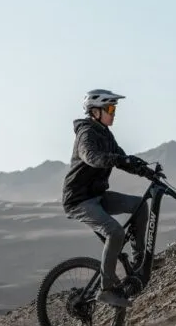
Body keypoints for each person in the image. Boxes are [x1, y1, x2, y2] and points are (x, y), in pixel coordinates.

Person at [62, 88, 153, 308]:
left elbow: (121, 159)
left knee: (140, 207)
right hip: (79, 201)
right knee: (115, 232)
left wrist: (144, 169)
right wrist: (115, 159)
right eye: (110, 108)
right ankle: (106, 289)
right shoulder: (86, 133)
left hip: (98, 195)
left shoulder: (105, 133)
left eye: (114, 109)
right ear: (95, 112)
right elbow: (91, 157)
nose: (114, 113)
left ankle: (139, 262)